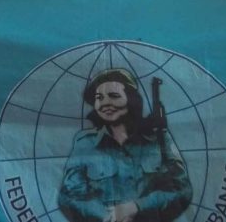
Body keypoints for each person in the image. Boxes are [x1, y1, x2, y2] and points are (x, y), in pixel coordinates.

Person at [58, 68, 192, 222]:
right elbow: (69, 196)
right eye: (99, 97)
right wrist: (108, 216)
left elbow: (182, 189)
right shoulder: (84, 143)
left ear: (132, 99)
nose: (105, 103)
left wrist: (137, 207)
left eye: (114, 96)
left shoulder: (159, 139)